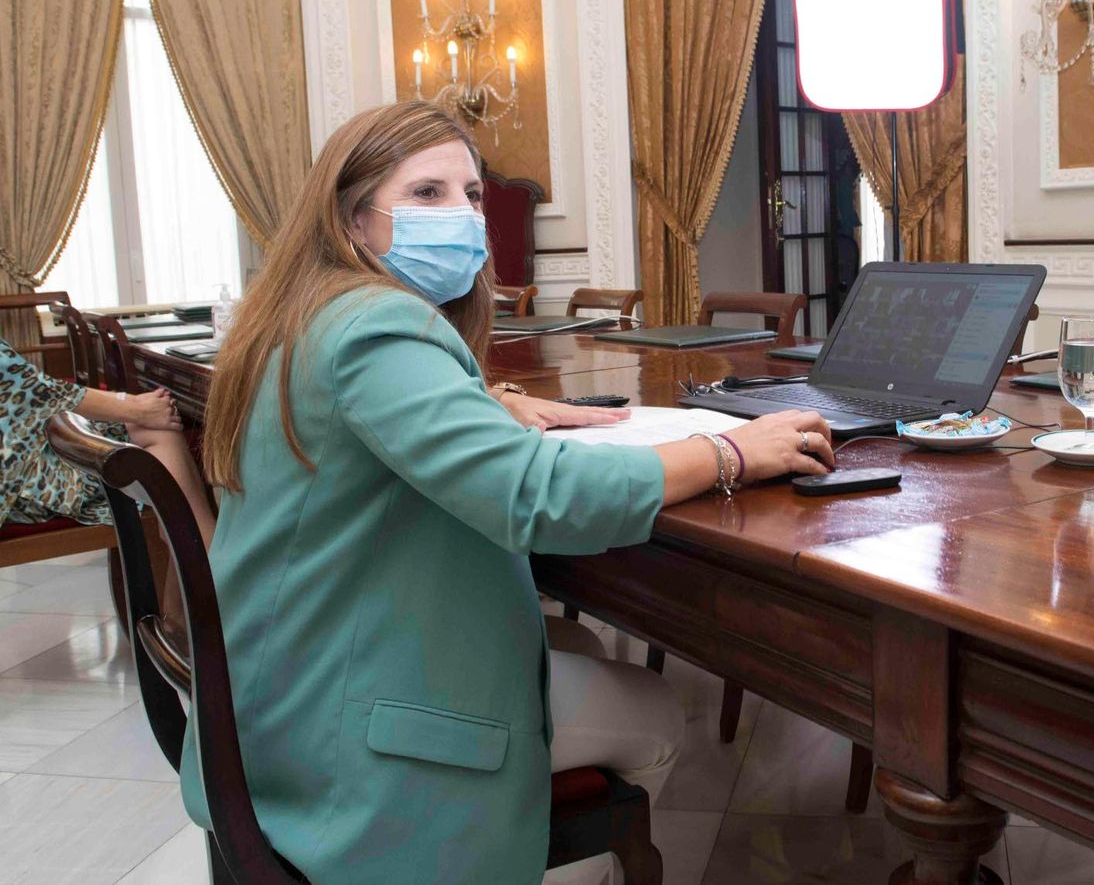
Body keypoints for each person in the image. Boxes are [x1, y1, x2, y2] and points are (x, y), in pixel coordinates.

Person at [179, 102, 840, 884]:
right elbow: (535, 496)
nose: (460, 214)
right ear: (353, 219)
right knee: (657, 713)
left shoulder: (305, 315)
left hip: (284, 682)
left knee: (581, 648)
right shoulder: (373, 327)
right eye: (426, 193)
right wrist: (727, 452)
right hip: (341, 727)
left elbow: (361, 421)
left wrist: (484, 403)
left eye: (469, 194)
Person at [0, 339, 216, 543]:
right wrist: (135, 409)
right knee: (158, 432)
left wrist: (131, 405)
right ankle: (201, 552)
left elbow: (34, 390)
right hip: (14, 489)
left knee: (149, 430)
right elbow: (37, 392)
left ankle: (193, 552)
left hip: (13, 456)